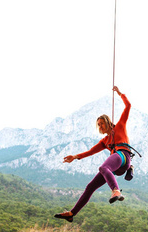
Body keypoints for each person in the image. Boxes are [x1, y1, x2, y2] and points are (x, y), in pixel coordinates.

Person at [54, 86, 133, 222]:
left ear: (108, 122)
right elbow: (90, 151)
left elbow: (128, 106)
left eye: (102, 123)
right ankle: (72, 213)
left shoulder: (120, 126)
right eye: (98, 125)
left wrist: (120, 94)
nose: (100, 127)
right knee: (90, 187)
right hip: (117, 168)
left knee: (103, 168)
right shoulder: (104, 141)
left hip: (124, 157)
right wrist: (75, 157)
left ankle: (116, 190)